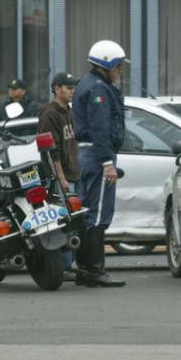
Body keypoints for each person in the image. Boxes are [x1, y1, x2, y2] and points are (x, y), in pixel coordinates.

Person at [71, 40, 128, 287]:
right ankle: (95, 270)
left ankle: (84, 269)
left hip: (86, 154)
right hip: (97, 155)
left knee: (86, 212)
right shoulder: (98, 89)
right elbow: (100, 127)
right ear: (107, 64)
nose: (120, 71)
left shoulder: (87, 84)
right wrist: (107, 162)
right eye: (118, 66)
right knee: (98, 214)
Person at [37, 72, 81, 282]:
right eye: (69, 88)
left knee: (73, 222)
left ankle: (70, 265)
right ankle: (63, 267)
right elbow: (50, 150)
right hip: (58, 177)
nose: (73, 91)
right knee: (62, 221)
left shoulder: (68, 111)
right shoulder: (49, 113)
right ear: (56, 89)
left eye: (74, 88)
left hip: (73, 172)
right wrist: (61, 178)